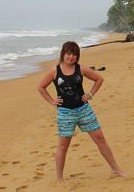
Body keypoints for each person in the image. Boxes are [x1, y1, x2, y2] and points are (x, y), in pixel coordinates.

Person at [37, 41, 127, 181]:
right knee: (63, 146)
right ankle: (59, 178)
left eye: (74, 54)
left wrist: (90, 94)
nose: (71, 57)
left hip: (84, 109)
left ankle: (116, 169)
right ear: (63, 54)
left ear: (77, 56)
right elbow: (41, 87)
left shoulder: (81, 69)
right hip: (65, 113)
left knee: (100, 139)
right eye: (68, 54)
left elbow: (99, 79)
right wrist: (52, 101)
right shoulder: (55, 71)